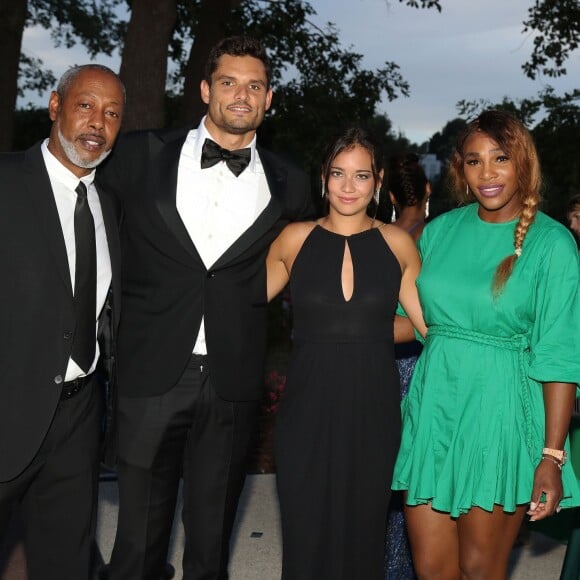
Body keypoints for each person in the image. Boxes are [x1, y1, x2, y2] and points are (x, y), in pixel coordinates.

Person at [97, 36, 314, 580]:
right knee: (137, 544)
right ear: (204, 90)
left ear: (269, 99)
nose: (241, 95)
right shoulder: (138, 155)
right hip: (150, 371)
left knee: (212, 540)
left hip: (232, 379)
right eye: (228, 82)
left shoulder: (292, 182)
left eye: (254, 85)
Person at [392, 109, 580, 579]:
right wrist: (335, 322)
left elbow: (559, 355)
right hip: (433, 411)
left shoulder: (552, 243)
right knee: (432, 570)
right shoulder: (439, 232)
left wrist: (551, 457)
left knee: (480, 569)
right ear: (460, 168)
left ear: (523, 164)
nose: (488, 173)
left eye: (500, 159)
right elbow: (407, 323)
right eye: (474, 161)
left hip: (498, 418)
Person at [266, 127, 427, 580]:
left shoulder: (398, 243)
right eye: (339, 174)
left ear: (377, 182)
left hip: (373, 407)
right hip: (306, 408)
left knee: (363, 531)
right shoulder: (294, 238)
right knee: (304, 528)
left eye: (360, 175)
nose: (349, 186)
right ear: (324, 178)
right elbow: (239, 304)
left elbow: (427, 325)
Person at [0, 64, 124, 580]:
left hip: (77, 417)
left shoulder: (109, 203)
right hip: (7, 409)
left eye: (112, 113)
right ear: (55, 107)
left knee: (65, 563)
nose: (98, 122)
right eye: (86, 106)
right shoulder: (6, 181)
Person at [384, 151, 430, 580]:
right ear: (428, 190)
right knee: (416, 469)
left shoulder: (379, 236)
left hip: (383, 362)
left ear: (389, 194)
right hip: (424, 363)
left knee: (384, 466)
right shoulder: (438, 236)